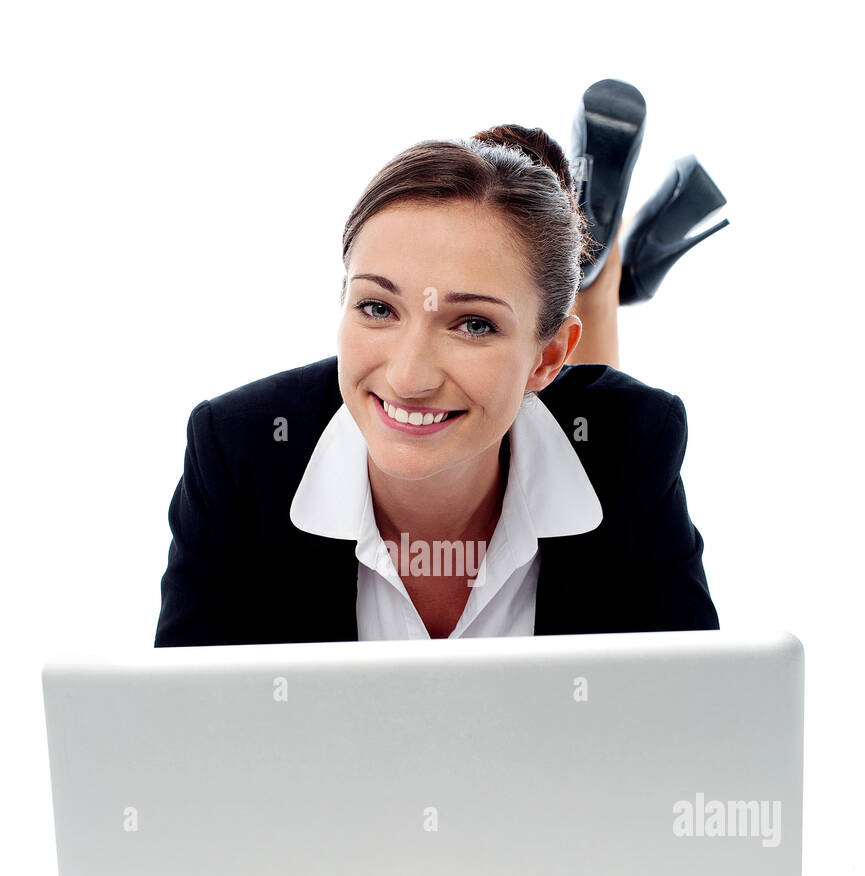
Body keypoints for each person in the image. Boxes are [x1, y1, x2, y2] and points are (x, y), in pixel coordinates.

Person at [154, 111, 722, 648]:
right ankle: (600, 270)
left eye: (473, 324)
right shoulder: (237, 451)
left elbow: (686, 716)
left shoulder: (633, 443)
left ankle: (598, 271)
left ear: (550, 359)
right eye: (378, 308)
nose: (408, 378)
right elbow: (185, 733)